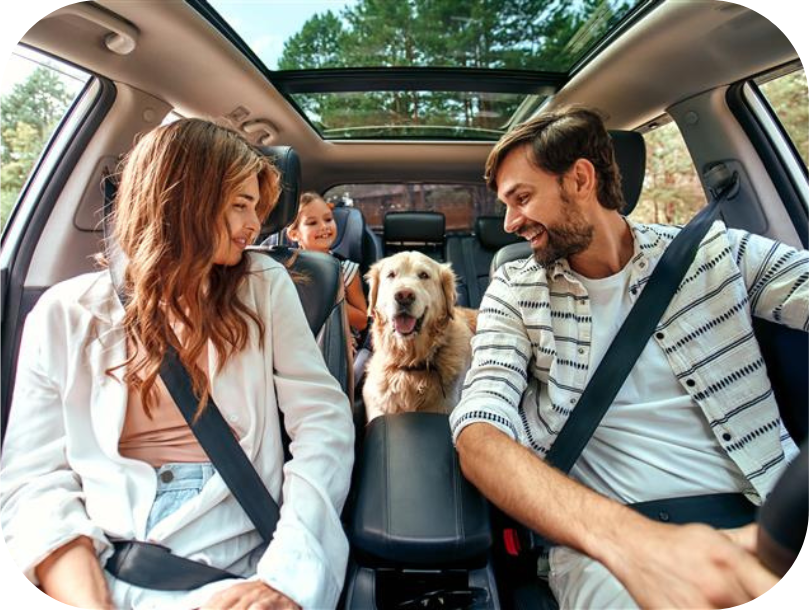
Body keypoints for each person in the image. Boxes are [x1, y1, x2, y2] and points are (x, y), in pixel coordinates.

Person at [450, 106, 808, 608]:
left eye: (522, 198)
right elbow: (480, 431)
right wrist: (633, 544)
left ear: (580, 179)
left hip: (773, 519)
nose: (509, 223)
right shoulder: (514, 289)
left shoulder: (716, 252)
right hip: (607, 544)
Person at [0, 119, 354, 609]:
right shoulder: (63, 312)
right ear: (184, 199)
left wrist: (286, 575)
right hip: (97, 551)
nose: (255, 226)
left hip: (232, 559)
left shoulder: (263, 286)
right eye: (240, 205)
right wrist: (85, 592)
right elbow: (32, 479)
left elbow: (322, 424)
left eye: (257, 208)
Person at [286, 192, 369, 347]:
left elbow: (362, 321)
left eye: (328, 219)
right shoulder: (285, 270)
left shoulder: (346, 270)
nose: (324, 226)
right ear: (294, 234)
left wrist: (327, 300)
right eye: (312, 223)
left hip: (337, 344)